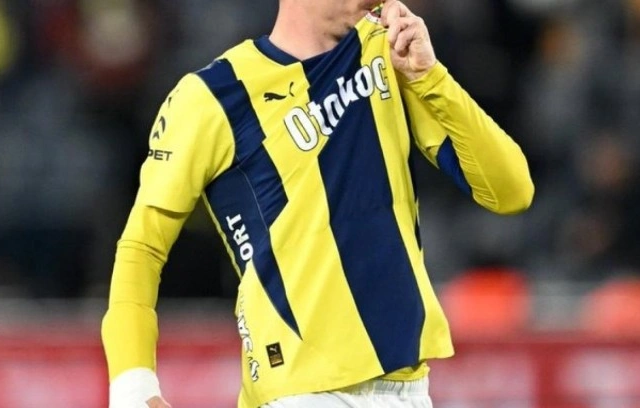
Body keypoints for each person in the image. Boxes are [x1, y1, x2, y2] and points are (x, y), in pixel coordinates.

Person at [101, 0, 535, 407]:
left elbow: (511, 191)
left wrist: (431, 77)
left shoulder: (388, 53)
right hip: (302, 392)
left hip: (411, 387)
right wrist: (133, 385)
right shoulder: (212, 96)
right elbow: (142, 246)